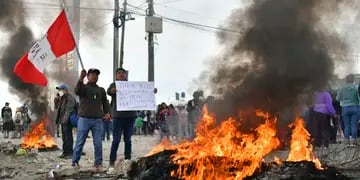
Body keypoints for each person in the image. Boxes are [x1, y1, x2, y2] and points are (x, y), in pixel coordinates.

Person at [72, 69, 111, 171]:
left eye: (96, 74)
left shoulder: (101, 90)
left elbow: (105, 102)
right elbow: (77, 91)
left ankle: (98, 163)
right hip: (84, 119)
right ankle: (75, 161)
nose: (94, 76)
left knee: (98, 143)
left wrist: (108, 113)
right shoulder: (83, 88)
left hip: (98, 120)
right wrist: (81, 78)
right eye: (92, 74)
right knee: (80, 142)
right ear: (88, 76)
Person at [107, 68, 137, 169]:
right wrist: (113, 91)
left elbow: (142, 92)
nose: (121, 75)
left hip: (130, 117)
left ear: (125, 75)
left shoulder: (131, 86)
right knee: (116, 140)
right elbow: (108, 91)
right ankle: (112, 161)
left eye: (122, 73)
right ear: (116, 75)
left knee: (128, 140)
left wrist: (151, 91)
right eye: (118, 73)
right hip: (117, 117)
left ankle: (127, 160)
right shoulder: (114, 85)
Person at [336, 74, 360, 147]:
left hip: (345, 108)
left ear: (346, 80)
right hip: (355, 107)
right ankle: (354, 141)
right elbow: (358, 97)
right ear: (353, 80)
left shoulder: (342, 88)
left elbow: (338, 98)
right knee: (354, 125)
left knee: (346, 126)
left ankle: (347, 142)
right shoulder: (356, 88)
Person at [55, 84, 77, 159]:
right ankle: (65, 152)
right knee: (64, 137)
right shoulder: (62, 98)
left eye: (61, 89)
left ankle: (70, 153)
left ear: (65, 90)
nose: (59, 91)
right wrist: (56, 101)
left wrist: (64, 120)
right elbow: (57, 109)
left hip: (67, 121)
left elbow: (68, 110)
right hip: (63, 120)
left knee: (68, 137)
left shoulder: (69, 97)